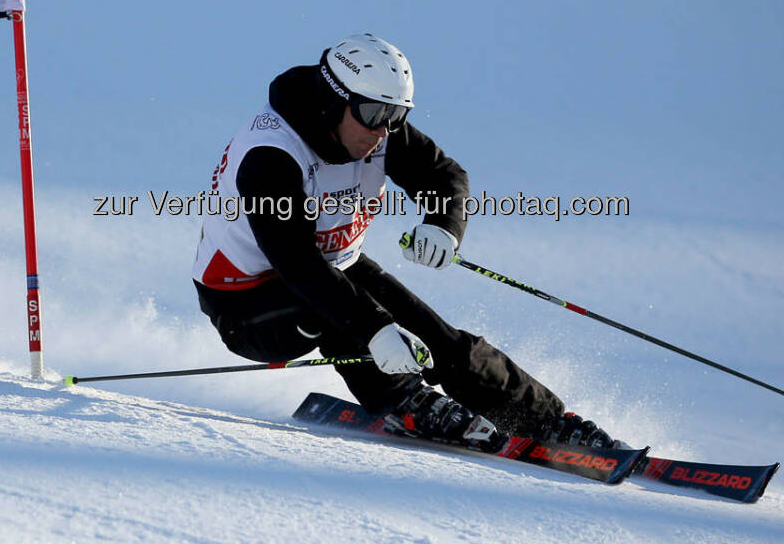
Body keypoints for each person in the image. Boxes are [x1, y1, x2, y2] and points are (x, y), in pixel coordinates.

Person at [192, 33, 623, 452]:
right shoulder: (271, 158)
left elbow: (444, 176)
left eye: (396, 114)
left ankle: (544, 421)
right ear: (332, 100)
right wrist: (374, 330)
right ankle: (405, 402)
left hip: (333, 269)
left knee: (438, 340)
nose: (384, 130)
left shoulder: (373, 128)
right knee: (348, 317)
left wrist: (443, 224)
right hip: (246, 305)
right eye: (374, 112)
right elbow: (298, 265)